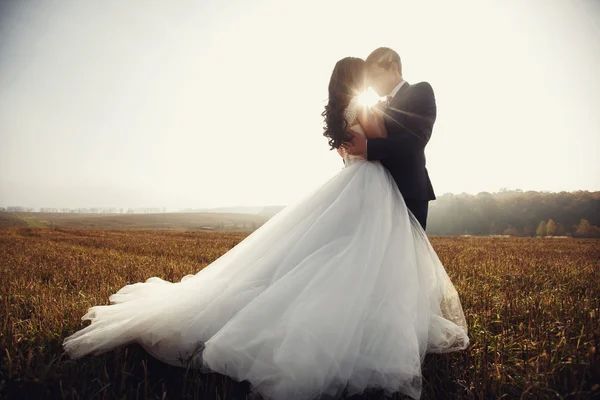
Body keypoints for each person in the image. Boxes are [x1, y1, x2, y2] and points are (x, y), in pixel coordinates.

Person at [62, 56, 469, 400]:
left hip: (357, 187)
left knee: (341, 260)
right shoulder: (365, 108)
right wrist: (378, 122)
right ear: (358, 79)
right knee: (362, 261)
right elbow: (379, 143)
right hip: (372, 190)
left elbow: (357, 153)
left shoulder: (342, 111)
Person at [343, 47, 436, 231]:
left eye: (375, 76)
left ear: (393, 68)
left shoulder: (420, 90)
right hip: (376, 191)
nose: (371, 85)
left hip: (407, 190)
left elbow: (416, 139)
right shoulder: (376, 106)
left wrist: (368, 147)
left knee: (408, 255)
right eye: (368, 80)